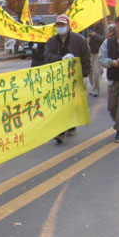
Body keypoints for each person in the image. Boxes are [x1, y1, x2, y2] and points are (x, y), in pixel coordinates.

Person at [44, 14, 91, 143]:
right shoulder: (52, 41)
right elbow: (47, 56)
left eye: (63, 25)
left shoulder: (79, 40)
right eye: (58, 25)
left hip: (74, 77)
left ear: (69, 26)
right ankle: (61, 130)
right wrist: (61, 59)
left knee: (71, 103)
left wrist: (86, 75)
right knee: (60, 103)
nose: (60, 27)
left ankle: (69, 125)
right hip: (58, 78)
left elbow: (86, 58)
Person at [85, 19, 106, 97]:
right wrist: (85, 40)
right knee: (90, 72)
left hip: (98, 53)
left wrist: (95, 35)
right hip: (89, 53)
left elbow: (103, 38)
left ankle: (96, 89)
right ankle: (93, 86)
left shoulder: (101, 28)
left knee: (96, 72)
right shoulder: (87, 28)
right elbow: (82, 38)